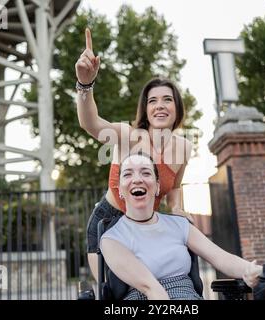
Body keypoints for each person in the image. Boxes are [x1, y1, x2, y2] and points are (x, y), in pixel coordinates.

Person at [75, 28, 194, 281]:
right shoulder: (129, 136)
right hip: (109, 225)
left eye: (167, 100)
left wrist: (177, 208)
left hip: (149, 228)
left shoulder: (184, 147)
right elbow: (90, 122)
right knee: (116, 295)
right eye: (152, 101)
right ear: (145, 109)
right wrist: (85, 84)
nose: (160, 105)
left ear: (177, 108)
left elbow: (174, 187)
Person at [100, 152, 265, 300]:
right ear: (120, 190)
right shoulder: (111, 239)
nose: (137, 179)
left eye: (146, 173)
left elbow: (222, 258)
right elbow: (150, 288)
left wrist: (253, 271)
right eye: (128, 174)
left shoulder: (179, 225)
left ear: (156, 187)